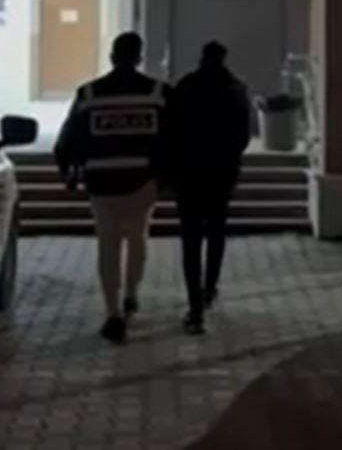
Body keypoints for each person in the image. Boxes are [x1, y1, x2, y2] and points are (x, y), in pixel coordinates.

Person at [53, 32, 170, 344]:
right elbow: (173, 138)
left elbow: (68, 138)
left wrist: (69, 171)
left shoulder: (89, 94)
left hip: (101, 183)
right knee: (138, 238)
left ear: (112, 57)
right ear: (139, 57)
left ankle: (112, 312)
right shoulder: (158, 93)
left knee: (108, 244)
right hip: (142, 181)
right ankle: (131, 293)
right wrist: (165, 178)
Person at [170, 41, 252, 335]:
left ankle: (194, 308)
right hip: (221, 174)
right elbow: (243, 136)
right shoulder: (236, 89)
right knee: (216, 231)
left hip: (189, 174)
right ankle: (210, 288)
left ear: (202, 58)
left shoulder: (185, 87)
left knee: (191, 239)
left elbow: (172, 130)